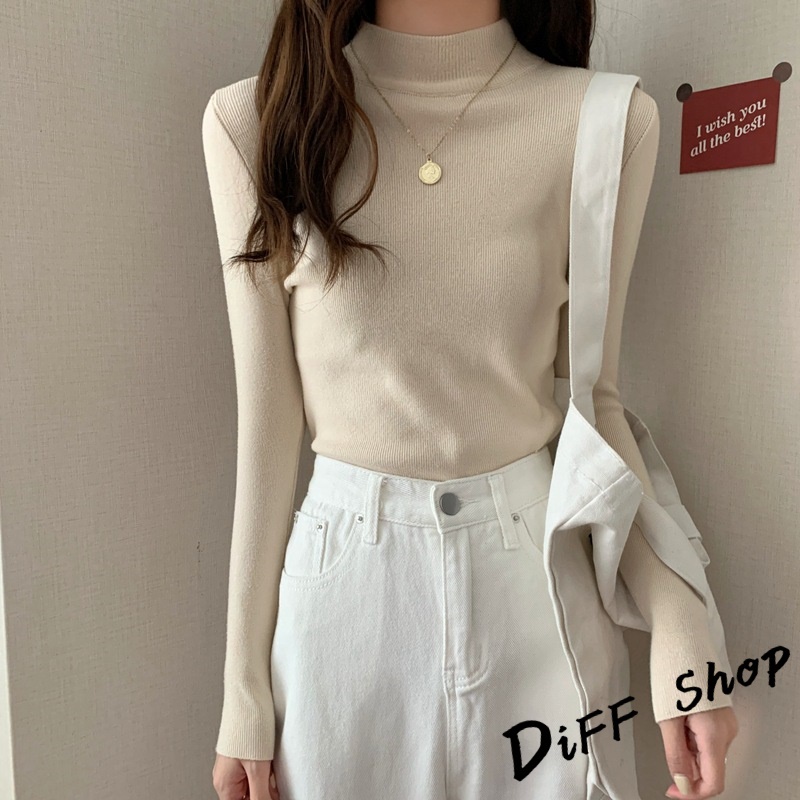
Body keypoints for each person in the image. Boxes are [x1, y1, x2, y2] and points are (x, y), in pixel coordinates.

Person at [202, 2, 739, 799]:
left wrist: (686, 629)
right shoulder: (257, 121)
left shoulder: (605, 122)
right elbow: (268, 427)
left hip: (537, 595)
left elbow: (594, 408)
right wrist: (242, 690)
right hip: (345, 615)